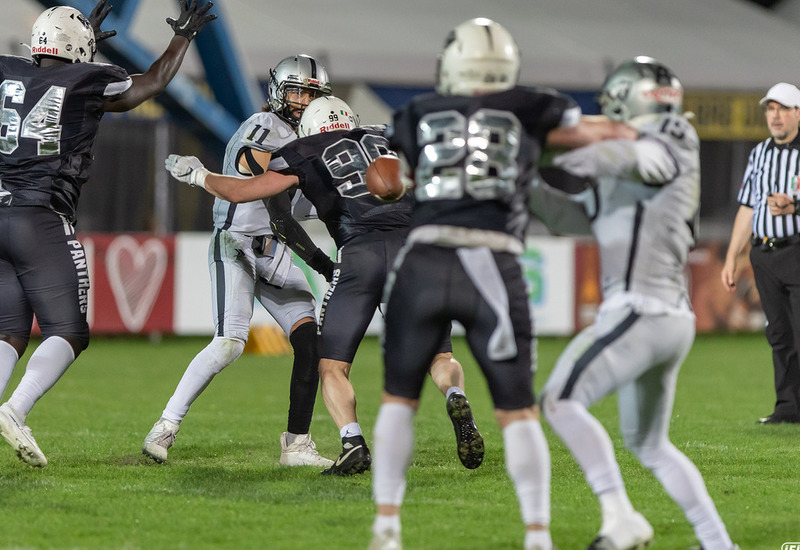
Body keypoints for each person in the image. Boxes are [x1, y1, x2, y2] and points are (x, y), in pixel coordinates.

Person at [362, 18, 638, 550]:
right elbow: (591, 134)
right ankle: (537, 534)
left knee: (399, 400)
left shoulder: (417, 111)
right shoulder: (533, 105)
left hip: (422, 258)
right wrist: (642, 129)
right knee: (517, 410)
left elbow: (393, 181)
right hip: (491, 258)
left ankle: (388, 529)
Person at [164, 95, 486, 476]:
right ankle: (455, 394)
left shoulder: (305, 150)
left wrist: (197, 175)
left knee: (332, 365)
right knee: (439, 355)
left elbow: (241, 191)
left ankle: (353, 442)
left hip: (360, 256)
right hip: (414, 251)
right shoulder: (385, 135)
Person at [0, 0, 215, 468]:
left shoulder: (6, 70)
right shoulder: (89, 78)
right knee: (68, 331)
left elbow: (46, 84)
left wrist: (81, 43)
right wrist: (183, 37)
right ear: (80, 51)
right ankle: (15, 409)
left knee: (8, 329)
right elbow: (152, 82)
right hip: (41, 216)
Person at [535, 57, 738, 550]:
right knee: (650, 444)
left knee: (559, 400)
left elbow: (635, 158)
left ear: (630, 98)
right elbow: (569, 217)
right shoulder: (627, 159)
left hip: (643, 308)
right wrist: (522, 182)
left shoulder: (668, 136)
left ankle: (620, 519)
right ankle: (718, 543)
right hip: (661, 314)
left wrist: (564, 153)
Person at [142, 54, 336, 467]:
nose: (304, 101)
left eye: (312, 94)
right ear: (279, 91)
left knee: (310, 344)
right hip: (238, 242)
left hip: (276, 249)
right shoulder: (265, 126)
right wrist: (323, 262)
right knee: (229, 343)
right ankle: (166, 425)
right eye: (298, 92)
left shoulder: (312, 137)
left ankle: (297, 444)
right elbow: (274, 201)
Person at [721, 81, 800, 425]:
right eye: (770, 109)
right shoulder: (759, 153)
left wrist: (795, 207)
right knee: (779, 333)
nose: (775, 116)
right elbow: (747, 207)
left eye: (783, 109)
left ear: (798, 113)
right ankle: (788, 408)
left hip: (796, 250)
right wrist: (731, 256)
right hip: (764, 254)